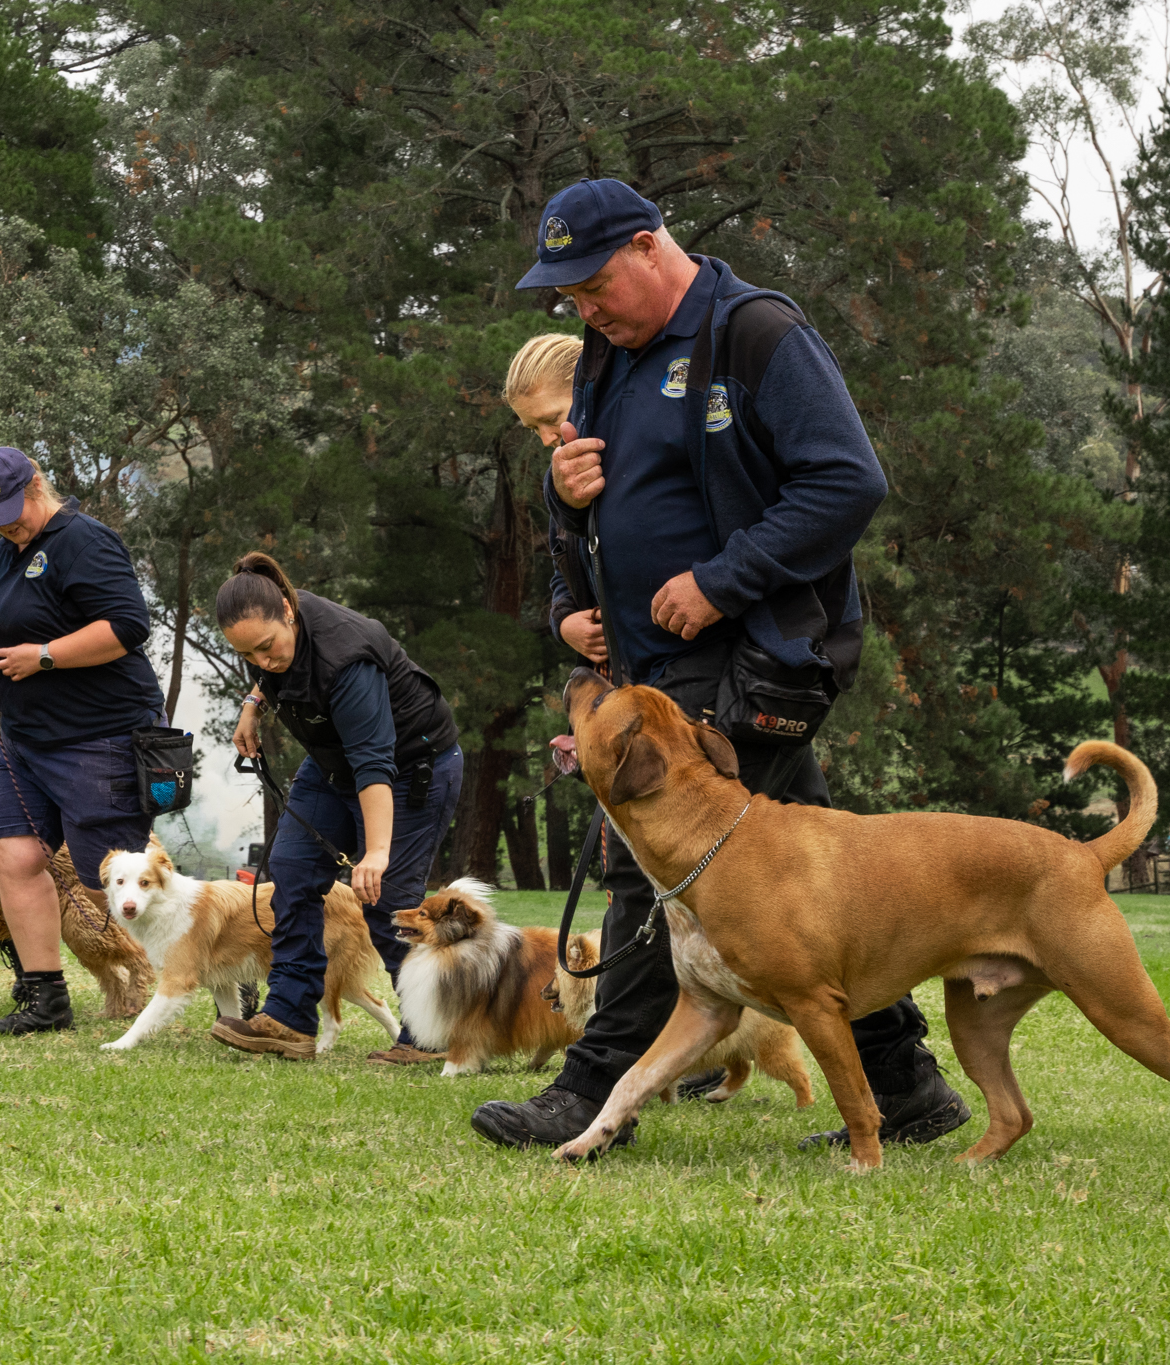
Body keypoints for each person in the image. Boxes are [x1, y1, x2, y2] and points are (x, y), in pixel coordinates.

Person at [470, 178, 970, 1154]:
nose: (583, 309)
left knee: (648, 866)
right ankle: (904, 1085)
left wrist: (720, 581)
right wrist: (563, 495)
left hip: (758, 655)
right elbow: (598, 499)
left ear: (650, 248)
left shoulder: (755, 335)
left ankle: (590, 1091)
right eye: (565, 297)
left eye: (592, 284)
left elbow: (845, 481)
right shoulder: (614, 354)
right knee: (801, 887)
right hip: (653, 667)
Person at [214, 552, 464, 1062]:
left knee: (387, 899)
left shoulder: (346, 658)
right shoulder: (273, 632)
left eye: (267, 648)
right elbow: (272, 666)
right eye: (249, 656)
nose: (263, 662)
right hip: (333, 764)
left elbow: (375, 763)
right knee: (291, 868)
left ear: (288, 610)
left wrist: (375, 853)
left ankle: (432, 1032)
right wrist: (253, 704)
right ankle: (288, 1018)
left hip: (412, 768)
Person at [0, 446, 165, 1036]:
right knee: (15, 858)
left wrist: (46, 657)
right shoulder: (3, 554)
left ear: (35, 487)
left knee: (114, 879)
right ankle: (45, 999)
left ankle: (223, 959)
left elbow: (128, 627)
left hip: (96, 734)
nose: (3, 527)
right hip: (23, 738)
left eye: (10, 513)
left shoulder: (85, 540)